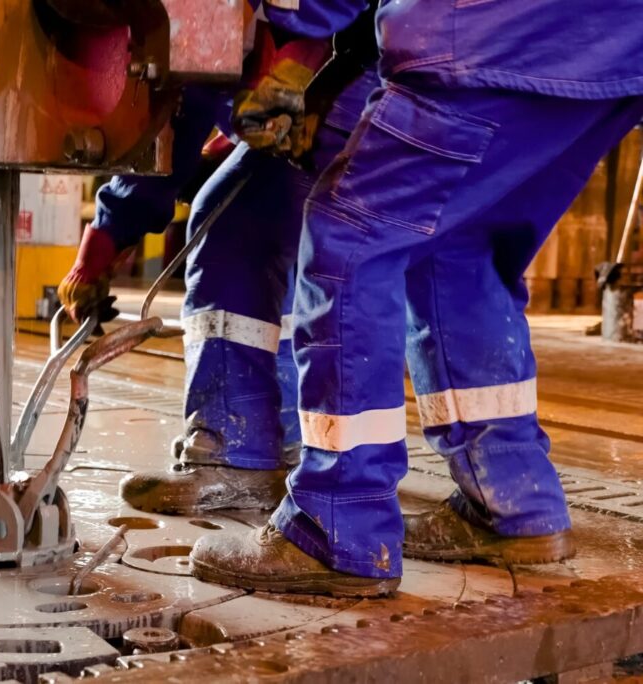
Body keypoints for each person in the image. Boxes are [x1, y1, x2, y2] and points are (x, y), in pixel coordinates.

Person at [190, 0, 643, 598]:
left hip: (483, 32)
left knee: (350, 241)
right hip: (614, 54)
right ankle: (511, 499)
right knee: (462, 245)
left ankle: (337, 523)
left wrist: (293, 40)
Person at [58, 3, 377, 514]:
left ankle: (235, 454)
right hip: (383, 65)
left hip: (354, 69)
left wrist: (300, 47)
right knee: (270, 230)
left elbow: (194, 90)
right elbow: (199, 94)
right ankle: (282, 437)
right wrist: (109, 233)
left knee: (237, 230)